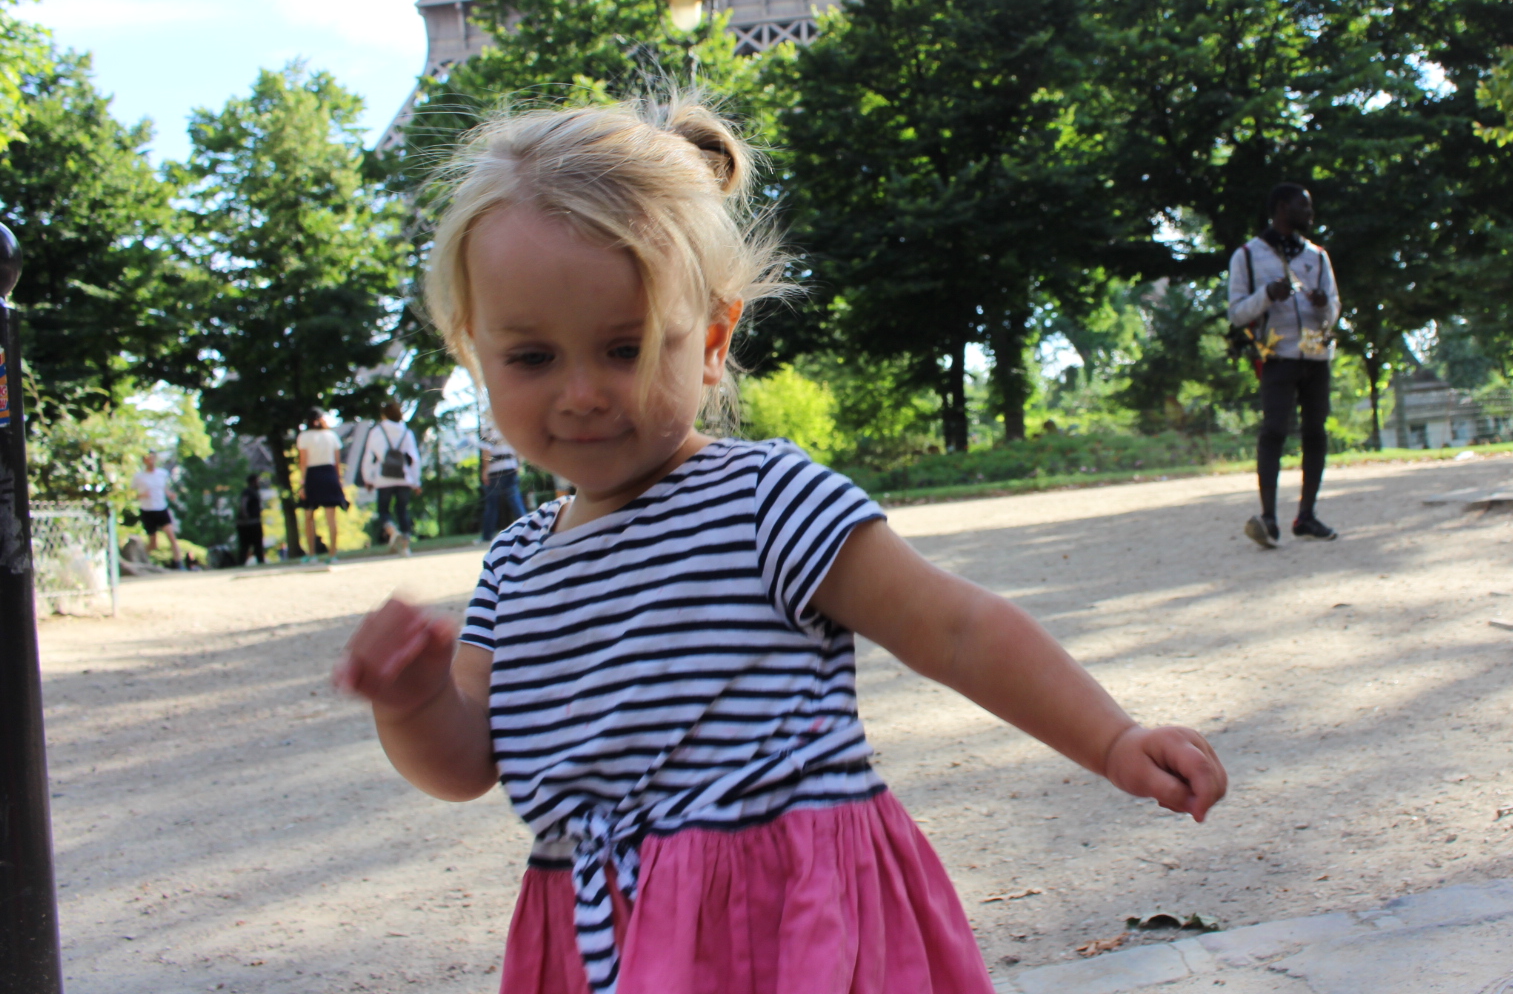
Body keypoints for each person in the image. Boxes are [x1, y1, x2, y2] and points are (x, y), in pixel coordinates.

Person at [334, 99, 1228, 994]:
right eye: (531, 358)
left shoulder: (764, 500)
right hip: (602, 932)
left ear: (713, 341)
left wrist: (1112, 740)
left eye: (625, 347)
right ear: (473, 353)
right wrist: (411, 702)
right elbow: (467, 766)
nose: (581, 393)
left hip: (787, 918)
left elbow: (953, 627)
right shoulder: (515, 569)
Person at [1227, 181, 1341, 548]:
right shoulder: (1247, 255)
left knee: (1315, 433)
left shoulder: (1318, 257)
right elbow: (1236, 312)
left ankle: (1306, 516)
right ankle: (1269, 518)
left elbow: (1335, 308)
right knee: (1274, 431)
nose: (1309, 213)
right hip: (1277, 357)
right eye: (1303, 207)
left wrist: (1325, 304)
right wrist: (1266, 296)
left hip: (1316, 356)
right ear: (1280, 208)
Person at [360, 400, 423, 555]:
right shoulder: (406, 432)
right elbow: (413, 459)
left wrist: (368, 479)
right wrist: (416, 481)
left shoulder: (377, 431)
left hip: (384, 478)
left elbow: (369, 457)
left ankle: (392, 530)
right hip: (404, 477)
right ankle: (406, 546)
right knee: (403, 511)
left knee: (383, 510)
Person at [296, 408, 350, 565]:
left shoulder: (304, 437)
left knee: (309, 516)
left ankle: (312, 554)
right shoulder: (331, 436)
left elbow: (303, 462)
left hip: (313, 475)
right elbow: (337, 462)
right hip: (329, 474)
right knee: (331, 517)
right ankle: (333, 554)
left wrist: (302, 484)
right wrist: (339, 481)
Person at [478, 412, 526, 542]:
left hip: (495, 472)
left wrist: (485, 470)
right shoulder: (508, 425)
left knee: (492, 506)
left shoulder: (488, 427)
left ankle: (486, 536)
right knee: (516, 502)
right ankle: (528, 531)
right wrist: (518, 464)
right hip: (511, 468)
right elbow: (517, 448)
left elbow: (487, 450)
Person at [132, 452, 183, 569]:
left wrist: (170, 494)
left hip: (161, 508)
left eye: (152, 458)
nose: (150, 461)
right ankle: (141, 560)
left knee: (171, 536)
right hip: (147, 510)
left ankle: (179, 563)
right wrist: (141, 495)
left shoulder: (162, 474)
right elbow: (131, 494)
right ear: (144, 461)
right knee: (153, 543)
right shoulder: (139, 477)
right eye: (148, 459)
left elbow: (164, 488)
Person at [236, 472, 269, 566]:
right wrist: (245, 515)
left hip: (251, 522)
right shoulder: (248, 492)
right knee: (249, 545)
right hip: (250, 523)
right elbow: (244, 504)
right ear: (253, 482)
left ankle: (259, 561)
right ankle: (244, 562)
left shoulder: (252, 492)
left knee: (252, 545)